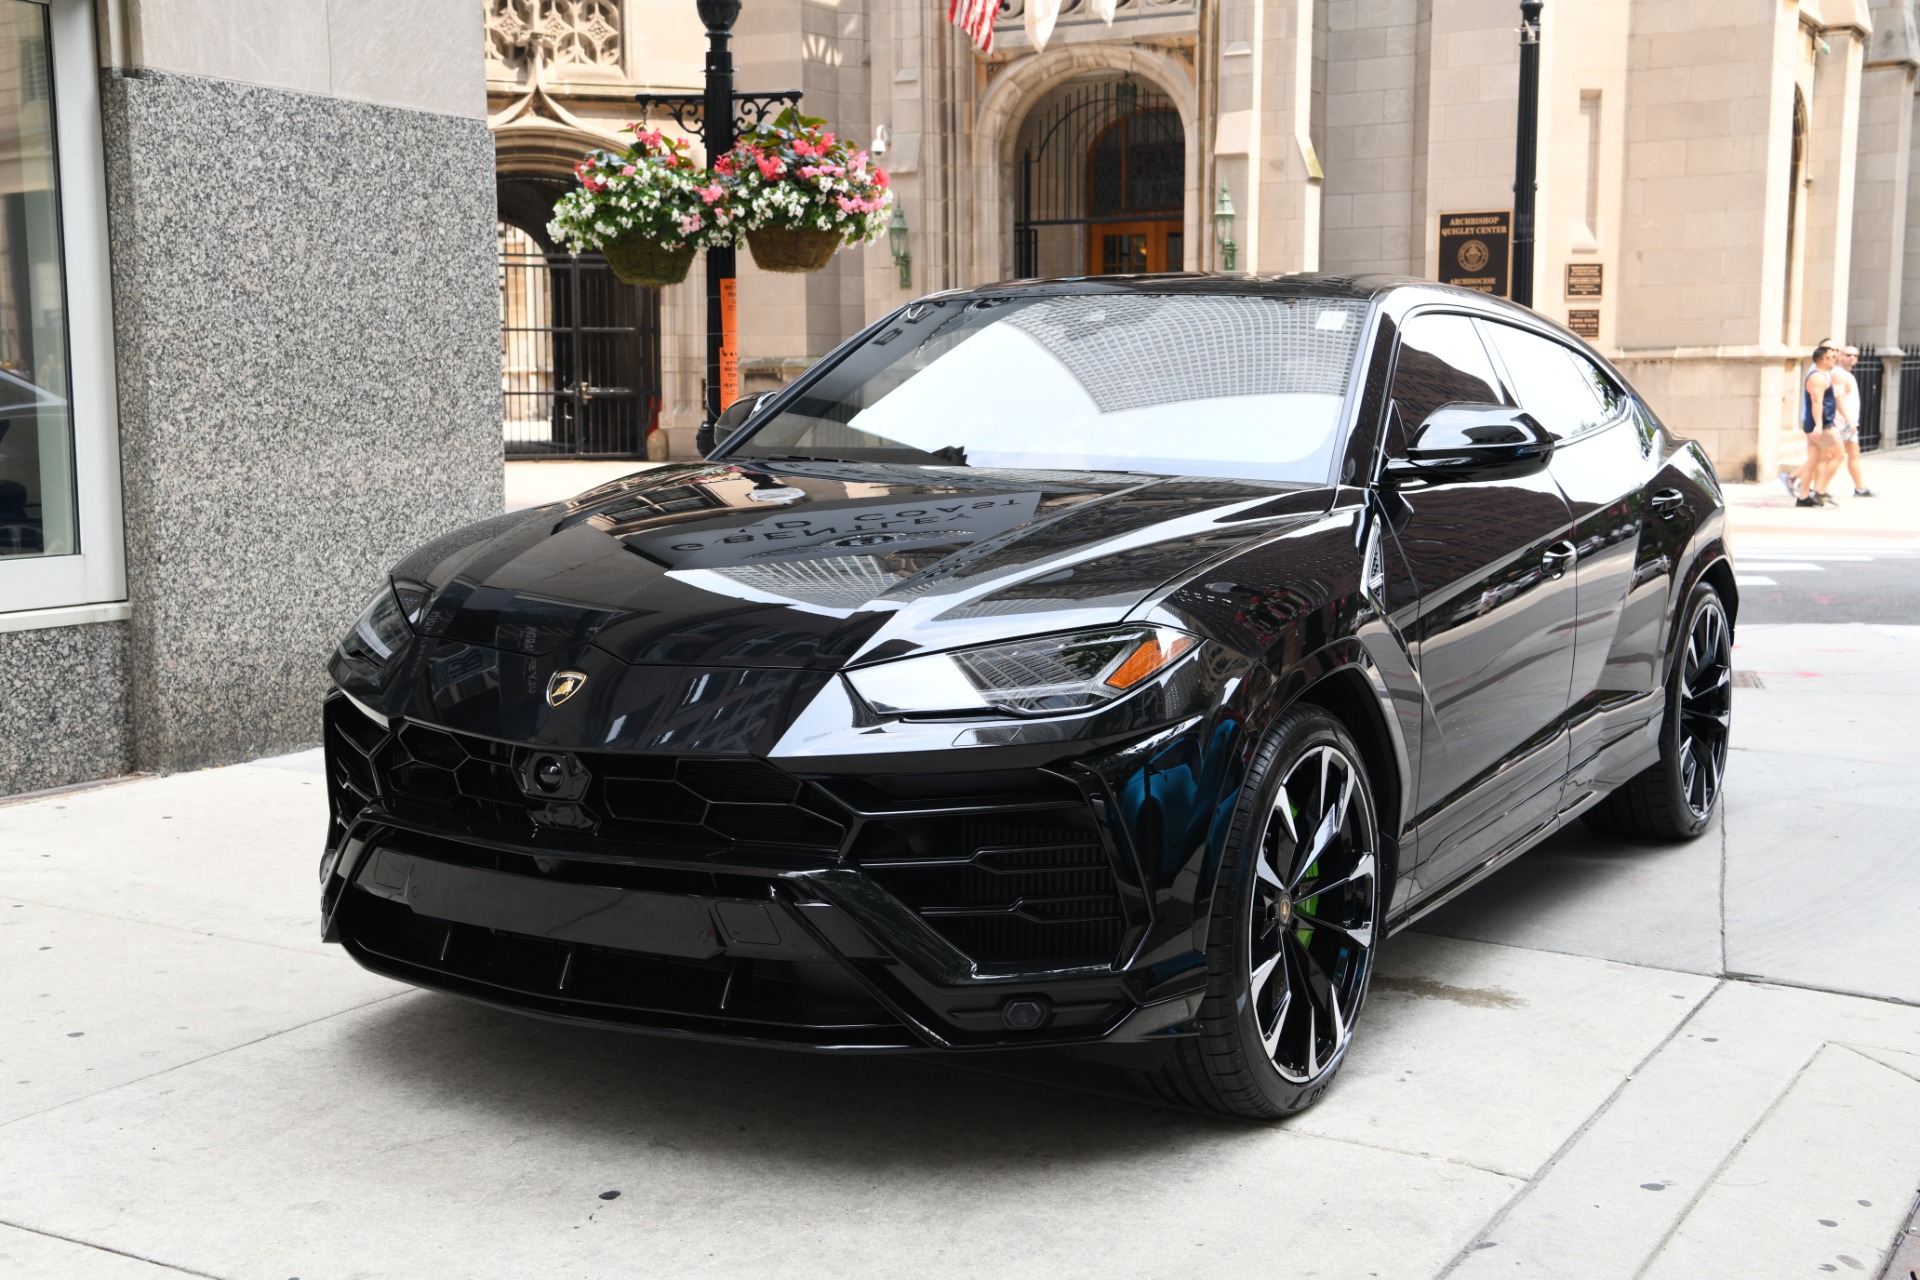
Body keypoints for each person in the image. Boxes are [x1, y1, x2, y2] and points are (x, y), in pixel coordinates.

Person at [1784, 345, 1847, 507]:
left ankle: (1803, 496)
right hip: (1823, 426)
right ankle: (1820, 490)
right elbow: (1816, 403)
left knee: (1814, 460)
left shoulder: (1822, 376)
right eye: (1832, 357)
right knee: (1839, 455)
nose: (1835, 359)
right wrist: (1819, 425)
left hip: (1817, 425)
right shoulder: (1818, 378)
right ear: (1824, 359)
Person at [1833, 344, 1874, 498]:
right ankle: (1798, 480)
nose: (1852, 358)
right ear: (1840, 356)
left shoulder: (1847, 375)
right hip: (1842, 423)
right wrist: (1848, 421)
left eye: (1855, 356)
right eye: (1848, 354)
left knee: (1853, 453)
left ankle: (1860, 488)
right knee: (1830, 456)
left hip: (1849, 423)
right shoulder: (1838, 374)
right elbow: (1838, 399)